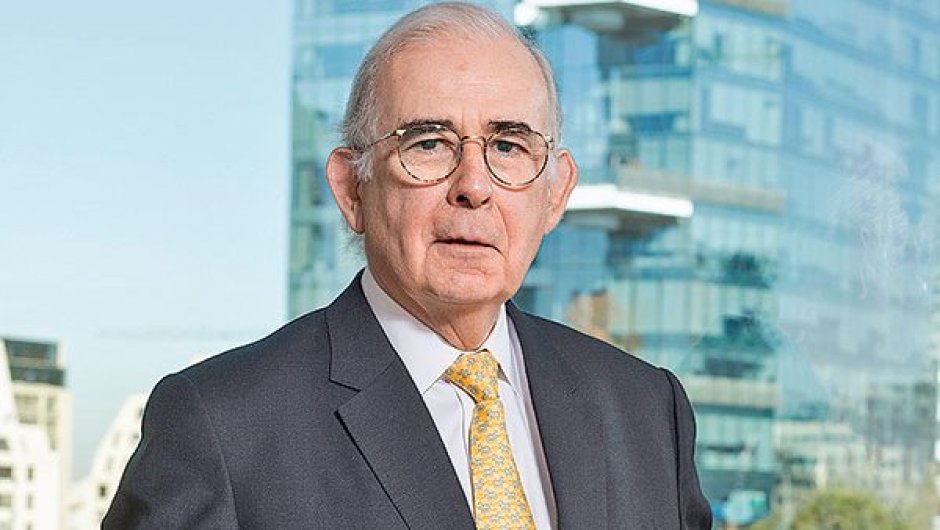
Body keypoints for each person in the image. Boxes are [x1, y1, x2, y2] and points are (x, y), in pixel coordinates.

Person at [104, 2, 711, 528]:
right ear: (351, 189)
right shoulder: (219, 427)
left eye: (508, 146)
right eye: (428, 144)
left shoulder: (646, 409)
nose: (474, 186)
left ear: (555, 193)